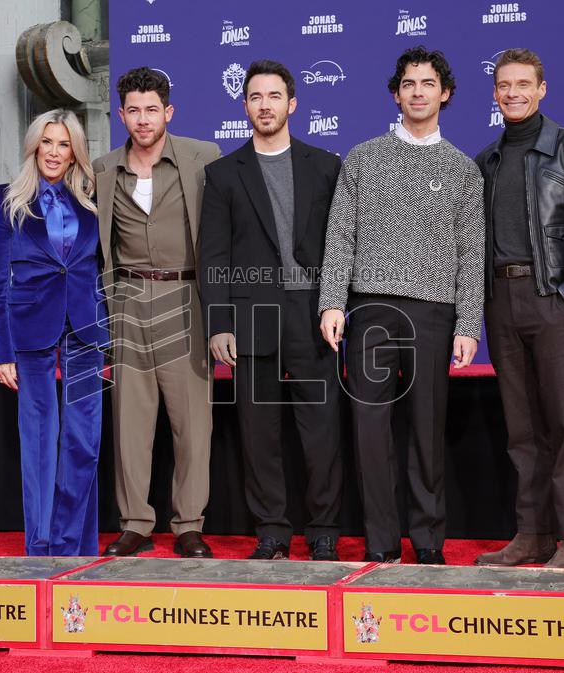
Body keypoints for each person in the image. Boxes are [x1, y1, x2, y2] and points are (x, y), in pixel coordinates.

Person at [319, 46, 485, 565]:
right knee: (370, 432)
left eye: (427, 83)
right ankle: (382, 542)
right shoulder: (362, 158)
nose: (418, 92)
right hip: (368, 310)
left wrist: (469, 325)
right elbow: (340, 236)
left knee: (426, 430)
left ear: (445, 93)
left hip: (434, 312)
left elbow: (471, 253)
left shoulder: (462, 170)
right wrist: (332, 304)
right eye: (409, 83)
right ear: (396, 94)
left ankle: (430, 541)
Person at [199, 60, 344, 561]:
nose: (265, 105)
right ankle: (272, 532)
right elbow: (213, 256)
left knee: (321, 427)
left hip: (312, 310)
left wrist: (336, 305)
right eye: (256, 97)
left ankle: (324, 530)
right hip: (251, 312)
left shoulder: (326, 165)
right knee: (258, 431)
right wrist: (219, 324)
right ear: (245, 105)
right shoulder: (221, 175)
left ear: (292, 103)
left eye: (274, 96)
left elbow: (341, 245)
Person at [474, 48, 564, 570]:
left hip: (550, 296)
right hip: (500, 300)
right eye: (504, 85)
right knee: (521, 427)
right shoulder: (486, 159)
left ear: (542, 88)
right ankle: (531, 533)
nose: (514, 93)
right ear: (494, 93)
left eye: (523, 84)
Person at [93, 67, 220, 558]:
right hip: (127, 300)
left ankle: (189, 524)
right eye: (133, 110)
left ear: (168, 112)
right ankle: (135, 524)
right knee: (131, 420)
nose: (143, 120)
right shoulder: (102, 170)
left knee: (193, 422)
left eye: (152, 110)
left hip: (187, 297)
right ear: (120, 114)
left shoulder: (202, 157)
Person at [0, 109, 107, 556]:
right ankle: (40, 546)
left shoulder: (93, 198)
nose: (54, 152)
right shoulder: (3, 199)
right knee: (38, 439)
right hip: (29, 327)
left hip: (86, 327)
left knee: (82, 439)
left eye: (64, 144)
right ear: (34, 146)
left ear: (75, 151)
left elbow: (100, 268)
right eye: (47, 143)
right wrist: (2, 350)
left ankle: (73, 542)